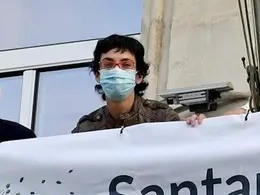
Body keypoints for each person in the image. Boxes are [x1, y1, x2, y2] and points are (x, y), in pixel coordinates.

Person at [73, 34, 202, 132]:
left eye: (126, 65)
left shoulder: (162, 117)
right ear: (98, 74)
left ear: (139, 76)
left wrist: (197, 129)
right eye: (108, 64)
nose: (117, 70)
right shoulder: (86, 129)